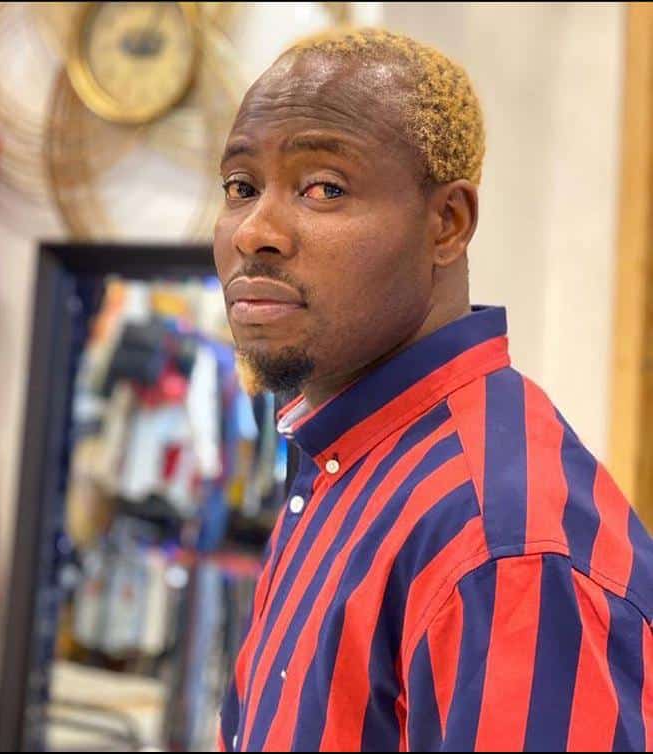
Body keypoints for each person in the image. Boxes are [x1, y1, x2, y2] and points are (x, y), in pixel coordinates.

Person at [213, 27, 653, 752]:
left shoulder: (502, 542)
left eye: (324, 188)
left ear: (447, 224)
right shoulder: (340, 461)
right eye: (241, 187)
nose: (254, 231)